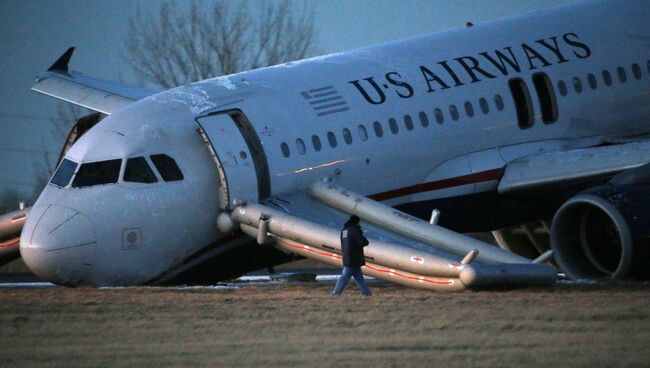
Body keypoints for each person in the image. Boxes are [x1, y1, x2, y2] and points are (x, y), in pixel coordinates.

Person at [331, 215, 371, 296]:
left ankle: (367, 294)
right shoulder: (355, 229)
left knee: (359, 278)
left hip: (347, 256)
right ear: (356, 221)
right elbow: (361, 241)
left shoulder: (344, 230)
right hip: (354, 257)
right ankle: (335, 293)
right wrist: (365, 241)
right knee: (344, 277)